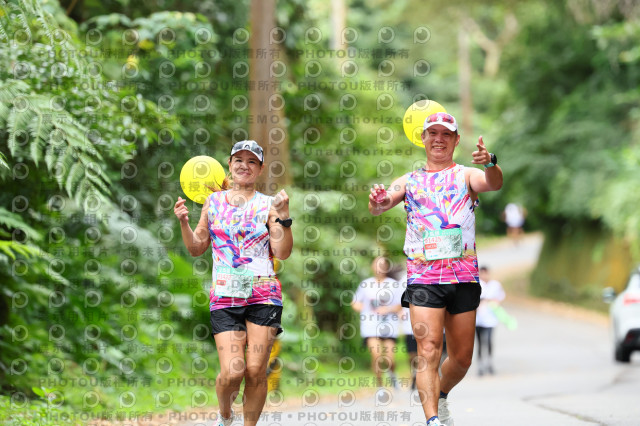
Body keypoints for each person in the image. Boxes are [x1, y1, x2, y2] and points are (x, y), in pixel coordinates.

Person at [369, 112, 503, 426]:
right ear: (423, 139)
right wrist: (377, 200)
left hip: (463, 277)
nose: (439, 139)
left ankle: (440, 394)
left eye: (446, 134)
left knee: (461, 359)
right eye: (433, 133)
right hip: (423, 279)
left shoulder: (467, 175)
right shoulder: (409, 180)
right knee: (428, 350)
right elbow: (380, 205)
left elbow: (493, 183)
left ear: (456, 140)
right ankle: (432, 420)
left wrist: (490, 163)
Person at [174, 140, 293, 426]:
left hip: (264, 295)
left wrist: (284, 216)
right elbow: (196, 247)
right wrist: (184, 223)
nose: (244, 165)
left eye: (252, 161)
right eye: (239, 160)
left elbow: (282, 252)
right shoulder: (213, 202)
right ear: (229, 164)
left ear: (260, 169)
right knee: (232, 372)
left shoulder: (269, 204)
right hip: (225, 296)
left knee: (255, 370)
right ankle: (225, 416)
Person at [351, 256, 404, 389]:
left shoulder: (393, 284)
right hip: (370, 326)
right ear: (372, 267)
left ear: (386, 268)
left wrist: (387, 309)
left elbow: (400, 305)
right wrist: (365, 308)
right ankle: (380, 385)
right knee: (376, 355)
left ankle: (392, 374)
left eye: (382, 265)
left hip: (389, 326)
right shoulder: (365, 284)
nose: (379, 268)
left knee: (389, 358)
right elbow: (355, 302)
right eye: (376, 265)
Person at [475, 266, 506, 376]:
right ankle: (480, 364)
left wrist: (494, 301)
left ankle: (489, 362)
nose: (484, 276)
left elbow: (501, 296)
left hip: (490, 319)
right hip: (478, 319)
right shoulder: (477, 285)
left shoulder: (495, 285)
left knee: (488, 341)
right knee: (479, 342)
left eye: (486, 273)